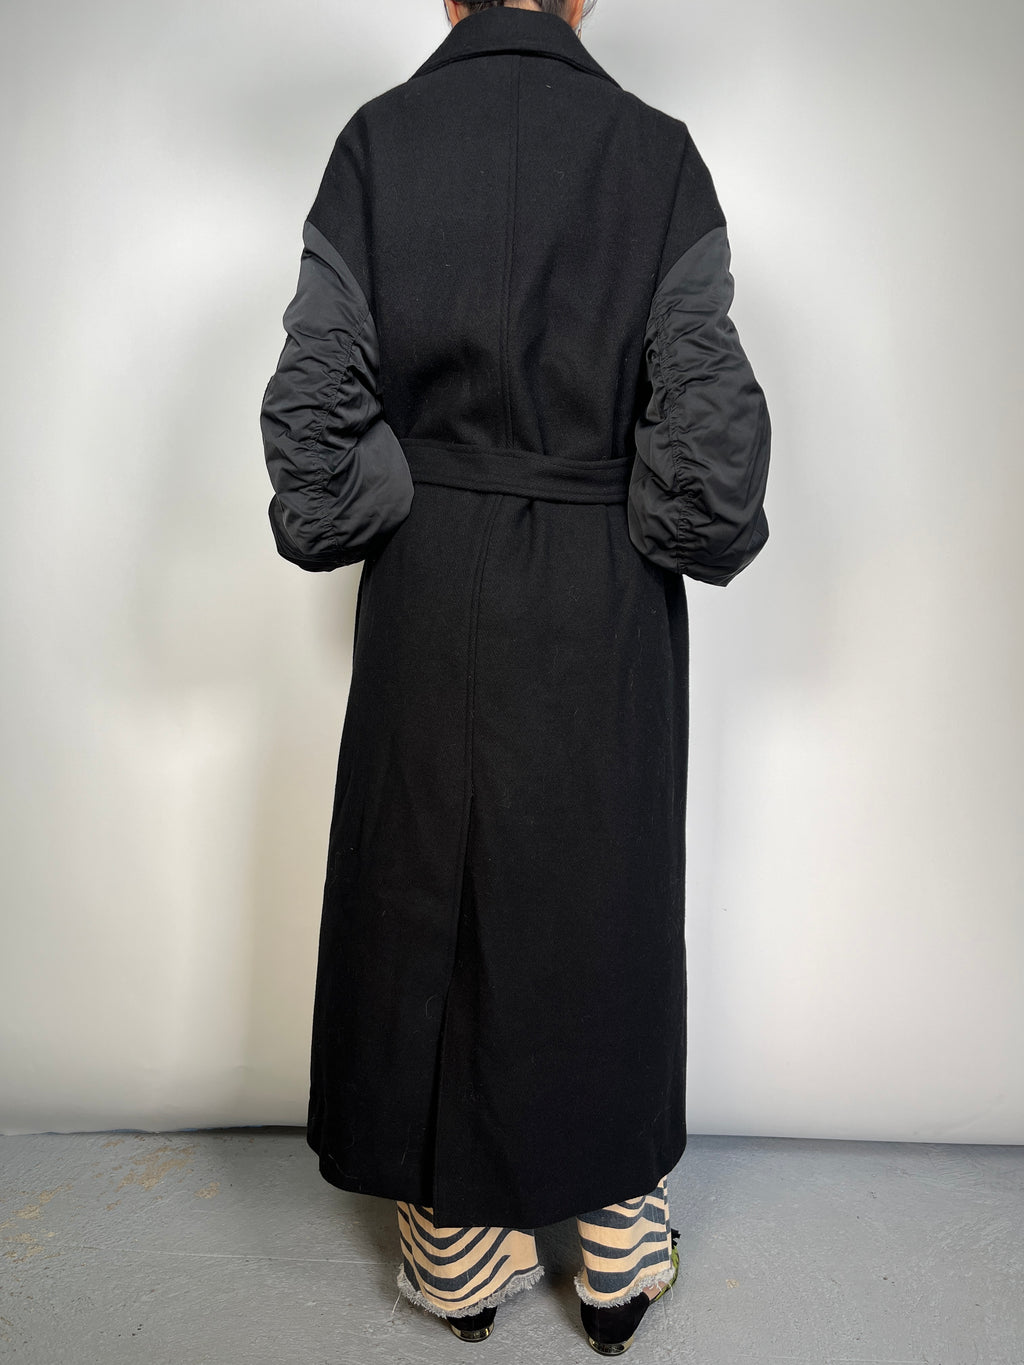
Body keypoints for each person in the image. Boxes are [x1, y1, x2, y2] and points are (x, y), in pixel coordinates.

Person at [260, 0, 770, 1353]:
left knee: (427, 886)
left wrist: (408, 492)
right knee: (600, 890)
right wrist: (648, 514)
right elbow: (710, 447)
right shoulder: (657, 155)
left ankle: (456, 1243)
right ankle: (615, 1239)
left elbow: (314, 424)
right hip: (602, 589)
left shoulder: (378, 146)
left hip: (431, 586)